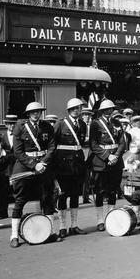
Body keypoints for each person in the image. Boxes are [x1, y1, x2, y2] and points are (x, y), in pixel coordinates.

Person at [9, 102, 57, 248]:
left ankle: (50, 231)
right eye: (33, 112)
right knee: (20, 200)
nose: (36, 114)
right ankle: (14, 235)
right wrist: (33, 164)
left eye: (39, 111)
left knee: (48, 199)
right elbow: (17, 152)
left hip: (43, 165)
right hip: (25, 166)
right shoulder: (20, 127)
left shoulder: (47, 126)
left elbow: (51, 146)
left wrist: (43, 163)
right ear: (28, 114)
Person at [53, 98, 88, 239]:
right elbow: (53, 145)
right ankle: (62, 226)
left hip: (77, 164)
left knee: (75, 195)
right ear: (68, 110)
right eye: (73, 108)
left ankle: (74, 225)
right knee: (63, 196)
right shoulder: (60, 124)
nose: (76, 110)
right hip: (63, 165)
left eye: (78, 108)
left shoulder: (83, 124)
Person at [90, 99, 127, 231]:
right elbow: (93, 145)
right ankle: (100, 220)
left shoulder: (117, 123)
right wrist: (108, 156)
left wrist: (116, 156)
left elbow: (122, 142)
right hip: (101, 162)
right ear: (101, 111)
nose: (108, 111)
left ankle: (110, 216)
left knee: (113, 190)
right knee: (100, 191)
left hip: (115, 162)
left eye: (110, 109)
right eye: (106, 109)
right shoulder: (95, 124)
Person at [0, 114, 18, 219]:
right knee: (3, 191)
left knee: (17, 191)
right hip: (5, 168)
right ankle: (2, 213)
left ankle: (18, 212)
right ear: (6, 124)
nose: (12, 126)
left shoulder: (20, 136)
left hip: (17, 166)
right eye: (10, 124)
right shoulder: (1, 138)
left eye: (14, 124)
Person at [81, 107, 94, 204]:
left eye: (88, 115)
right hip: (81, 151)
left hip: (90, 152)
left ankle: (85, 196)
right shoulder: (80, 125)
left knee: (87, 177)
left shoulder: (92, 126)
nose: (87, 117)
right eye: (85, 115)